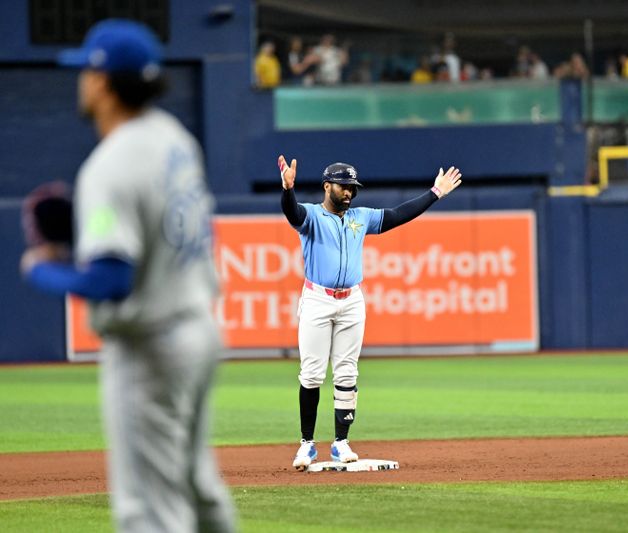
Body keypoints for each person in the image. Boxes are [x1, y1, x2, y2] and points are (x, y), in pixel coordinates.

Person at [19, 20, 236, 532]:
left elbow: (111, 281)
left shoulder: (108, 166)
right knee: (199, 490)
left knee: (149, 515)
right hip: (198, 332)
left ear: (101, 82)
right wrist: (84, 227)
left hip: (150, 348)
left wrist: (45, 268)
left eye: (86, 74)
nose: (81, 84)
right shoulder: (175, 138)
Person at [277, 155, 462, 470]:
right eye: (343, 186)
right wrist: (288, 189)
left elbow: (398, 215)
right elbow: (291, 212)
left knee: (347, 373)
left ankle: (341, 442)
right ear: (327, 186)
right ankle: (307, 445)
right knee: (311, 374)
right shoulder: (311, 215)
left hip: (351, 301)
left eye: (352, 188)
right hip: (318, 300)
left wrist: (435, 193)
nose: (348, 193)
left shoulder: (360, 217)